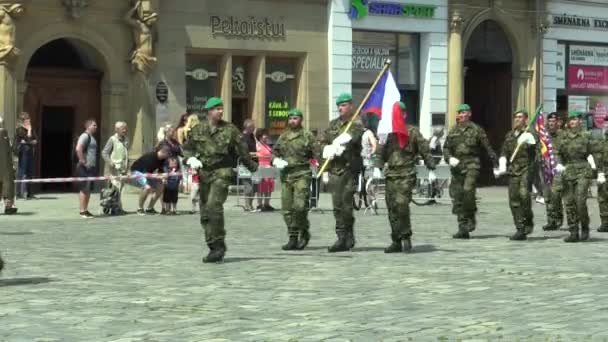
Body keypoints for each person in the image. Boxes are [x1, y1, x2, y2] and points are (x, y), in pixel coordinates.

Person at [182, 97, 258, 263]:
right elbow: (187, 149)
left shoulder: (230, 129)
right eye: (217, 108)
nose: (221, 111)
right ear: (209, 111)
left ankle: (219, 246)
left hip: (222, 172)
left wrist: (255, 167)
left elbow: (243, 152)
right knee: (205, 212)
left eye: (222, 108)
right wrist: (190, 160)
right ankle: (213, 245)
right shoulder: (198, 129)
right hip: (204, 174)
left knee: (213, 205)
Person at [380, 102, 436, 253]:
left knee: (401, 204)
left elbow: (424, 148)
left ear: (404, 114)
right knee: (392, 208)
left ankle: (405, 235)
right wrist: (378, 164)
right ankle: (396, 240)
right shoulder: (389, 133)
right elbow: (382, 154)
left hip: (406, 174)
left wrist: (431, 164)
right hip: (391, 175)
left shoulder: (412, 131)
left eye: (399, 113)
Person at [443, 104, 498, 238]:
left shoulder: (476, 129)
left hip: (472, 165)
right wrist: (449, 158)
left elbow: (487, 147)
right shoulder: (453, 131)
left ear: (469, 114)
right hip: (457, 167)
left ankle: (471, 216)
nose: (462, 115)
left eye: (465, 112)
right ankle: (463, 228)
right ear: (458, 115)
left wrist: (496, 163)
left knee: (468, 190)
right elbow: (446, 148)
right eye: (460, 113)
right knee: (457, 196)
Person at [318, 93, 364, 252]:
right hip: (334, 171)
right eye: (339, 105)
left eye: (344, 105)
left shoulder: (356, 123)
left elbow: (355, 137)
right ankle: (341, 237)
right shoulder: (332, 125)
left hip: (348, 170)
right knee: (337, 206)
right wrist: (326, 149)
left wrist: (342, 141)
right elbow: (322, 142)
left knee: (346, 206)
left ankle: (348, 235)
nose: (340, 108)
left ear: (351, 106)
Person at [272, 108, 315, 250]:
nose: (292, 121)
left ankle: (303, 231)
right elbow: (275, 152)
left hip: (302, 173)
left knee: (300, 206)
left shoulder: (307, 135)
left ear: (301, 120)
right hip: (286, 175)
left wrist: (324, 166)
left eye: (295, 118)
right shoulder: (283, 136)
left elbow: (317, 152)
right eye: (290, 118)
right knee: (287, 209)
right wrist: (275, 160)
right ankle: (292, 237)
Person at [494, 110, 539, 240]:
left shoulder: (530, 134)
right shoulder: (510, 135)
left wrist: (529, 140)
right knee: (513, 199)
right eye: (516, 117)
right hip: (513, 170)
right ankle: (520, 229)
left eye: (520, 117)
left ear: (526, 119)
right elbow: (504, 151)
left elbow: (536, 147)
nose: (518, 119)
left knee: (524, 194)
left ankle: (528, 220)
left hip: (527, 168)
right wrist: (502, 164)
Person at [554, 111, 596, 242]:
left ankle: (584, 228)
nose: (573, 122)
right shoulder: (563, 137)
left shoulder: (586, 136)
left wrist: (598, 170)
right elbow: (558, 152)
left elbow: (596, 151)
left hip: (583, 170)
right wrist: (559, 164)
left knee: (580, 201)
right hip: (568, 170)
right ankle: (573, 231)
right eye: (571, 120)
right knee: (569, 202)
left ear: (580, 121)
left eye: (575, 119)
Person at [130, 145, 170, 215]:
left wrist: (164, 176)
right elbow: (146, 173)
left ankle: (150, 208)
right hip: (137, 171)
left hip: (149, 173)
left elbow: (160, 171)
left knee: (160, 186)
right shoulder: (151, 157)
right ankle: (140, 208)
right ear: (163, 152)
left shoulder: (163, 159)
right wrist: (159, 177)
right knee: (147, 187)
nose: (168, 156)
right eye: (168, 154)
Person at [542, 112, 564, 231]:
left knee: (556, 194)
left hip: (558, 168)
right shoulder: (544, 135)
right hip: (546, 168)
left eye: (553, 122)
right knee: (547, 195)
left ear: (558, 123)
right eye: (549, 121)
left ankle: (558, 218)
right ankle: (551, 221)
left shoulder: (563, 135)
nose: (551, 124)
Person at [101, 121, 129, 214]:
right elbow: (104, 153)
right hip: (114, 169)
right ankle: (114, 208)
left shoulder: (126, 140)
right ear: (117, 130)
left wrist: (128, 168)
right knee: (115, 189)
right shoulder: (112, 139)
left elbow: (125, 155)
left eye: (125, 128)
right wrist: (110, 162)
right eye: (122, 128)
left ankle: (117, 207)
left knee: (119, 190)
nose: (125, 130)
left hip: (123, 169)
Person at [75, 119, 98, 218]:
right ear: (88, 126)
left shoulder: (92, 138)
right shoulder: (85, 136)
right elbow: (78, 148)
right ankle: (82, 211)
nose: (96, 127)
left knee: (88, 189)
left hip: (91, 167)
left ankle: (86, 209)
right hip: (84, 167)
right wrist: (82, 160)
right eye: (94, 125)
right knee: (84, 189)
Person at [14, 112, 37, 199]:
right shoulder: (20, 129)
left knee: (30, 172)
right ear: (23, 121)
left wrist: (28, 142)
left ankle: (29, 193)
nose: (29, 121)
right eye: (27, 120)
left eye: (29, 119)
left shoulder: (31, 129)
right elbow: (29, 138)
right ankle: (18, 193)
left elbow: (35, 140)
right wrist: (29, 133)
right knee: (21, 172)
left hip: (30, 152)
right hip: (23, 153)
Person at [0, 115, 17, 214]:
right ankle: (8, 206)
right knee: (8, 185)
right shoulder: (3, 134)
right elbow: (9, 150)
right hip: (5, 166)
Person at [255, 128, 275, 212]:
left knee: (269, 187)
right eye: (264, 135)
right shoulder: (258, 145)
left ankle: (267, 203)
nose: (266, 136)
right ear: (260, 136)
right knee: (261, 187)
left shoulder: (267, 145)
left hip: (269, 167)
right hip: (261, 167)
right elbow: (256, 154)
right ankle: (260, 204)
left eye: (266, 135)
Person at [241, 119, 257, 211]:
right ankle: (247, 205)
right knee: (248, 186)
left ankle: (251, 205)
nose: (254, 129)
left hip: (254, 164)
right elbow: (243, 152)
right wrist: (253, 154)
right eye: (253, 127)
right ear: (248, 127)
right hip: (244, 165)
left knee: (254, 186)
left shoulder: (252, 136)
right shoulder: (242, 137)